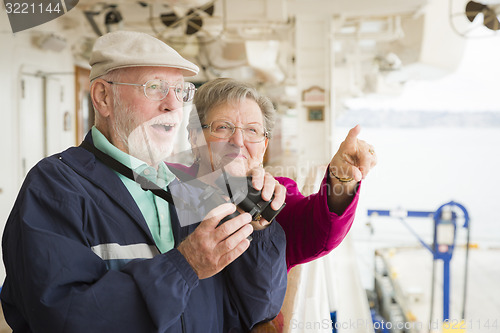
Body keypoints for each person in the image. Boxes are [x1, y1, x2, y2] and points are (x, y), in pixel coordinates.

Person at [1, 31, 288, 333]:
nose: (172, 105)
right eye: (155, 88)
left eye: (180, 91)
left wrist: (257, 230)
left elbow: (257, 310)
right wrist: (184, 266)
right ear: (103, 97)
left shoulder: (194, 190)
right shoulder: (56, 187)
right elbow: (62, 319)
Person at [170, 77, 377, 272]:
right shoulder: (164, 184)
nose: (239, 141)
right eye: (223, 127)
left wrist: (342, 178)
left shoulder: (275, 197)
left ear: (264, 146)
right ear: (194, 137)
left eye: (252, 131)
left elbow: (318, 232)